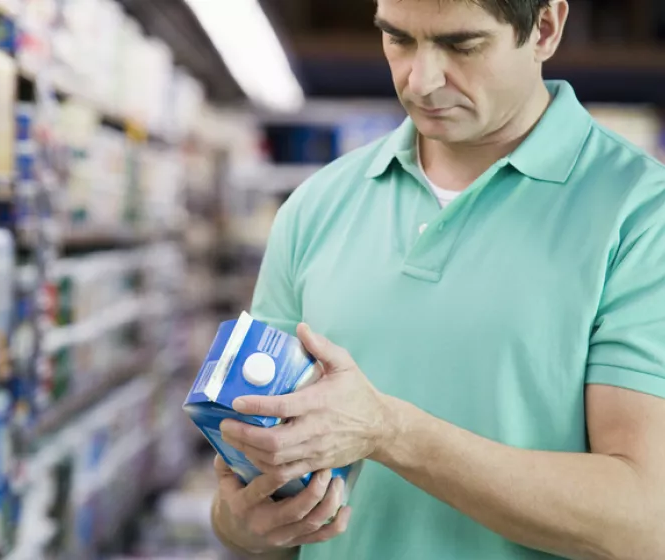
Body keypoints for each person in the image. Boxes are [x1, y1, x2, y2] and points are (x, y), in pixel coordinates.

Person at [210, 0, 665, 558]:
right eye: (398, 39)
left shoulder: (641, 214)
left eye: (461, 45)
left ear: (544, 28)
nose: (420, 81)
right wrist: (245, 523)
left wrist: (392, 432)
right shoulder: (315, 206)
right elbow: (239, 510)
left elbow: (645, 524)